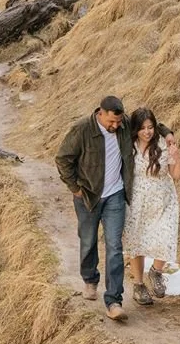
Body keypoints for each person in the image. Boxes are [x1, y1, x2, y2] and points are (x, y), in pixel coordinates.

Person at [55, 95, 135, 320]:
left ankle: (114, 301)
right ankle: (90, 280)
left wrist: (167, 133)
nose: (116, 126)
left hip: (115, 196)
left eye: (118, 122)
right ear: (101, 113)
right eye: (111, 122)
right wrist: (74, 187)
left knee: (114, 246)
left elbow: (150, 123)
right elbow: (62, 158)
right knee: (88, 240)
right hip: (88, 196)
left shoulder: (124, 124)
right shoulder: (82, 129)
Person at [123, 107, 180, 306]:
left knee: (165, 236)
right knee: (136, 242)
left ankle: (156, 272)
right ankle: (139, 285)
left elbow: (176, 175)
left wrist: (176, 155)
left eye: (150, 127)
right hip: (137, 199)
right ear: (135, 130)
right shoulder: (128, 145)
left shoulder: (164, 144)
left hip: (163, 198)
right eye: (142, 128)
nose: (147, 132)